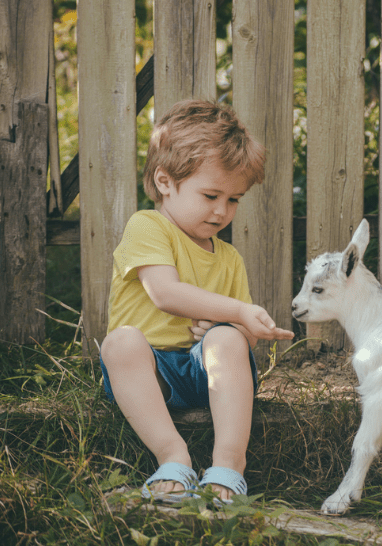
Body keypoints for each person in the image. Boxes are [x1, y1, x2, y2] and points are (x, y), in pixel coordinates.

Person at [99, 99, 294, 504]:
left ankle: (228, 464)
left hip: (202, 374)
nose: (222, 211)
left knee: (227, 341)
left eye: (234, 199)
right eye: (210, 195)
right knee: (120, 342)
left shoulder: (229, 258)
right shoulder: (148, 226)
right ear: (166, 181)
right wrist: (236, 312)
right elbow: (164, 293)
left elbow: (245, 342)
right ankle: (173, 456)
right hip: (147, 375)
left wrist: (232, 328)